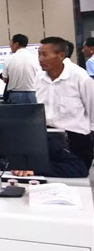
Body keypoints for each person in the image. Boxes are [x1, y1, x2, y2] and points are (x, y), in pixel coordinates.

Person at [35, 37, 94, 172]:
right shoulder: (39, 77)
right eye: (39, 54)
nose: (40, 59)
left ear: (61, 55)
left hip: (74, 138)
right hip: (47, 137)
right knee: (47, 174)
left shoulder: (79, 77)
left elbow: (92, 108)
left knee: (77, 176)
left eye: (44, 55)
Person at [2, 33, 38, 104]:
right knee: (34, 111)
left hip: (15, 94)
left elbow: (5, 79)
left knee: (17, 111)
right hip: (33, 93)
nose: (10, 45)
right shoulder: (35, 58)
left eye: (11, 43)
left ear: (16, 44)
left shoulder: (9, 59)